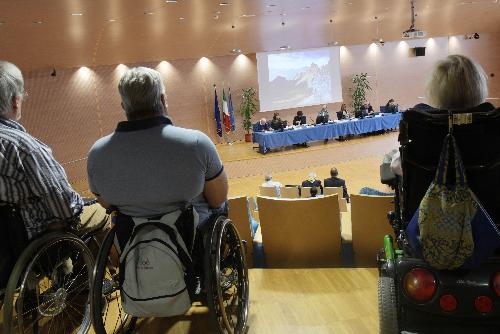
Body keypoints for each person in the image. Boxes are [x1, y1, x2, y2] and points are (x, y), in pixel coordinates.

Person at [87, 67, 228, 226]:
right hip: (193, 242)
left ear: (124, 106)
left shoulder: (97, 153)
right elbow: (218, 199)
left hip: (133, 243)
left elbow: (105, 202)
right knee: (222, 206)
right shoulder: (197, 143)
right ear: (162, 99)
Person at [0, 61, 84, 240]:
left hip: (6, 248)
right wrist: (80, 204)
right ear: (15, 102)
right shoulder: (23, 146)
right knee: (100, 215)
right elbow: (65, 207)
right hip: (31, 242)